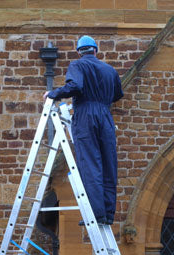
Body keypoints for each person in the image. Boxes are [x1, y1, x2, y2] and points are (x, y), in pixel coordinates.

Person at [43, 35, 123, 225]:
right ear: (95, 50)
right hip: (105, 115)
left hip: (86, 114)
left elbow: (75, 86)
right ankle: (108, 213)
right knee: (108, 164)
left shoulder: (77, 65)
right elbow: (118, 94)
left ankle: (96, 213)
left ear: (79, 52)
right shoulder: (110, 70)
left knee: (90, 164)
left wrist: (52, 93)